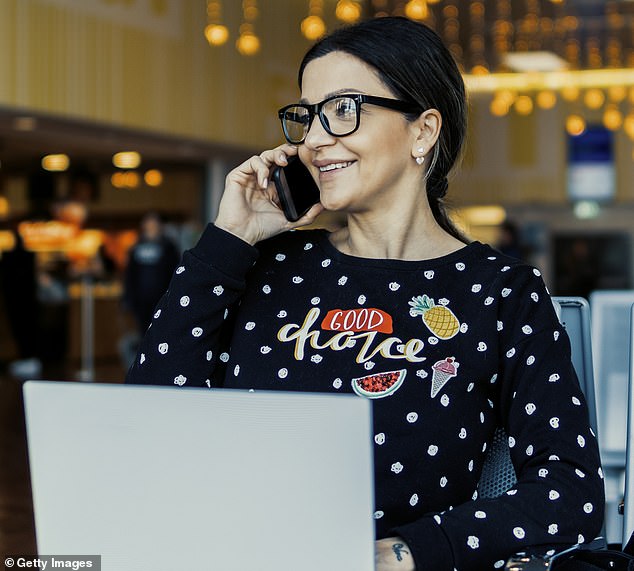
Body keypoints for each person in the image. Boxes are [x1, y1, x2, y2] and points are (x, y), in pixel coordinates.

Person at [126, 17, 604, 571]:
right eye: (307, 116)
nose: (314, 139)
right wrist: (229, 241)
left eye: (343, 109)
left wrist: (406, 553)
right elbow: (148, 422)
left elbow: (569, 490)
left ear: (423, 131)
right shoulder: (262, 264)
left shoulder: (500, 292)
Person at [122, 211, 180, 336]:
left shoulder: (168, 246)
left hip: (162, 297)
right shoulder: (136, 246)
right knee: (143, 332)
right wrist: (128, 297)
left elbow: (175, 271)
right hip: (141, 299)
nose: (151, 226)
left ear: (160, 225)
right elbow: (130, 274)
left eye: (154, 223)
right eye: (149, 223)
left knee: (162, 331)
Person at [0, 227, 42, 379]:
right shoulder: (29, 257)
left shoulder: (9, 257)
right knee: (26, 329)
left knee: (23, 330)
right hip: (28, 301)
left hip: (16, 300)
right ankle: (28, 359)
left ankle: (28, 359)